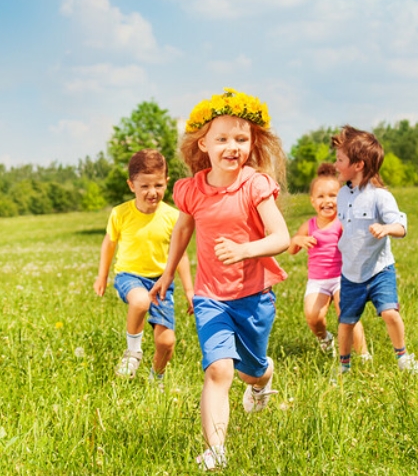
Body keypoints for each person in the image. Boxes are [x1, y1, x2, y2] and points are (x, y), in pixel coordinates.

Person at [149, 88, 290, 471]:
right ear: (204, 144)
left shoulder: (255, 185)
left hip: (254, 295)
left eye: (241, 139)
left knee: (250, 369)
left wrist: (245, 250)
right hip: (211, 296)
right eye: (223, 139)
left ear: (252, 143)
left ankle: (262, 381)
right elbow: (182, 231)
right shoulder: (192, 189)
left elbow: (282, 237)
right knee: (218, 369)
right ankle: (217, 450)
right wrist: (166, 274)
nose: (233, 147)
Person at [93, 149, 194, 387]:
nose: (152, 192)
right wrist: (102, 276)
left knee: (166, 342)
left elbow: (180, 255)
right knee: (140, 302)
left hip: (161, 281)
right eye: (144, 186)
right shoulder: (120, 213)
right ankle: (133, 353)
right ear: (131, 185)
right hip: (129, 275)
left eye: (158, 185)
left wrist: (189, 290)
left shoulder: (172, 216)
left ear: (167, 182)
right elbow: (109, 244)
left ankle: (155, 378)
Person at [331, 125, 418, 375]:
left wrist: (386, 229)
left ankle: (403, 357)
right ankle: (344, 365)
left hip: (379, 269)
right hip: (351, 273)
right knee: (346, 322)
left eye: (340, 160)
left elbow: (402, 225)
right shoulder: (341, 195)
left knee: (390, 313)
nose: (336, 165)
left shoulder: (380, 196)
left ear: (358, 165)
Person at [287, 162, 370, 359]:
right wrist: (297, 240)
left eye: (333, 195)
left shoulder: (341, 222)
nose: (327, 201)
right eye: (321, 196)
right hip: (318, 281)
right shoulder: (309, 226)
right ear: (312, 201)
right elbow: (291, 249)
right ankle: (325, 338)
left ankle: (364, 355)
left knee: (348, 314)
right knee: (313, 317)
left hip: (342, 278)